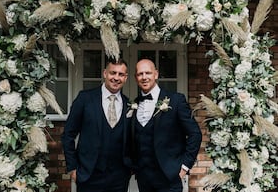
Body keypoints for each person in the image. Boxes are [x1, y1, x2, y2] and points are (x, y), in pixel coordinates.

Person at [131, 58, 202, 192]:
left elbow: (195, 134)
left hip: (170, 177)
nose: (144, 77)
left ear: (156, 74)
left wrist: (185, 166)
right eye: (140, 74)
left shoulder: (176, 100)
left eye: (148, 73)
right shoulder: (134, 104)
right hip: (143, 178)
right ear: (136, 78)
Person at [61, 58, 132, 192]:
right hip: (88, 175)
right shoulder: (85, 99)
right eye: (113, 73)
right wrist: (72, 168)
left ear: (126, 77)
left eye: (121, 74)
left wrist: (130, 166)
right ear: (105, 73)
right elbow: (68, 135)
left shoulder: (129, 104)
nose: (116, 78)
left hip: (119, 178)